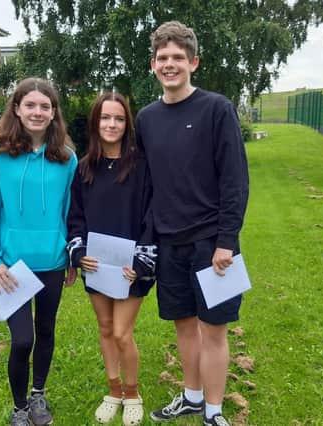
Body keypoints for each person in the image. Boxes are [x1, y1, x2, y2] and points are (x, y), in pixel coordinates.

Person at [135, 21, 249, 426]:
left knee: (214, 329)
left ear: (193, 62)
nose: (170, 65)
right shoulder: (146, 119)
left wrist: (227, 240)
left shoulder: (217, 109)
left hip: (211, 243)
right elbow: (145, 185)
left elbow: (235, 180)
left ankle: (214, 411)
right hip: (169, 244)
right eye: (163, 58)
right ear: (153, 65)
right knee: (184, 325)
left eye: (177, 58)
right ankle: (192, 396)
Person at [0, 77, 78, 426]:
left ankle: (38, 398)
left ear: (53, 114)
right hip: (12, 267)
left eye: (45, 106)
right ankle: (19, 407)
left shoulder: (67, 158)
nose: (38, 112)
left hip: (52, 260)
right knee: (22, 340)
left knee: (46, 331)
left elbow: (71, 212)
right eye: (30, 105)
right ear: (17, 109)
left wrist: (72, 257)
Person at [67, 92, 157, 426]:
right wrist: (79, 252)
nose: (111, 124)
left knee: (122, 332)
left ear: (127, 124)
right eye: (105, 118)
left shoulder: (141, 166)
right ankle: (114, 391)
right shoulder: (84, 167)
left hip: (132, 268)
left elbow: (152, 214)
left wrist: (143, 260)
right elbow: (75, 216)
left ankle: (133, 394)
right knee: (105, 328)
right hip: (96, 266)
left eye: (119, 118)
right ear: (95, 122)